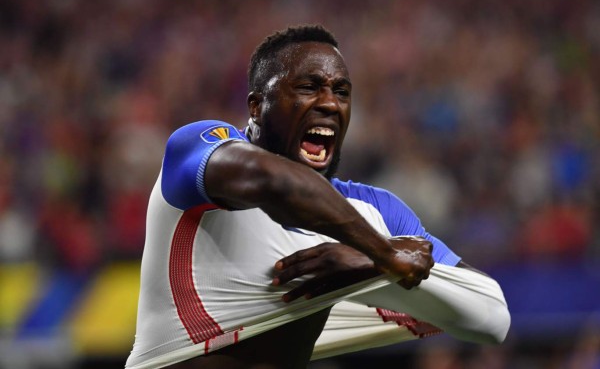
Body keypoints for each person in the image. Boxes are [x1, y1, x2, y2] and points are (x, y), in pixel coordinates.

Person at [125, 25, 510, 369]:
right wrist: (385, 253)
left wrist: (370, 264)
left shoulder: (374, 211)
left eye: (340, 92)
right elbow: (274, 182)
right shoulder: (199, 153)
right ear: (257, 107)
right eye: (308, 87)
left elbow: (491, 316)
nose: (329, 103)